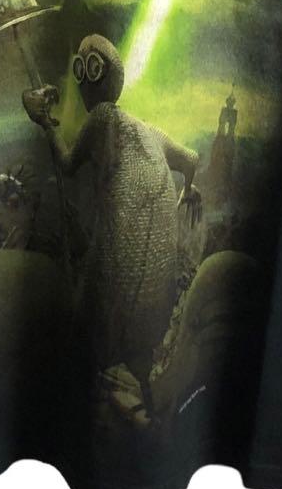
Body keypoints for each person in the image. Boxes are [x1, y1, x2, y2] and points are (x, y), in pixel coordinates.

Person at [23, 34, 201, 421]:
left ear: (98, 76)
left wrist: (44, 122)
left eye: (87, 69)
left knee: (82, 333)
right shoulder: (150, 130)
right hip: (157, 297)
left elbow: (67, 164)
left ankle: (81, 400)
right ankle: (138, 389)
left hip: (118, 282)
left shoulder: (102, 117)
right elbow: (192, 159)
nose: (83, 82)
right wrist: (189, 190)